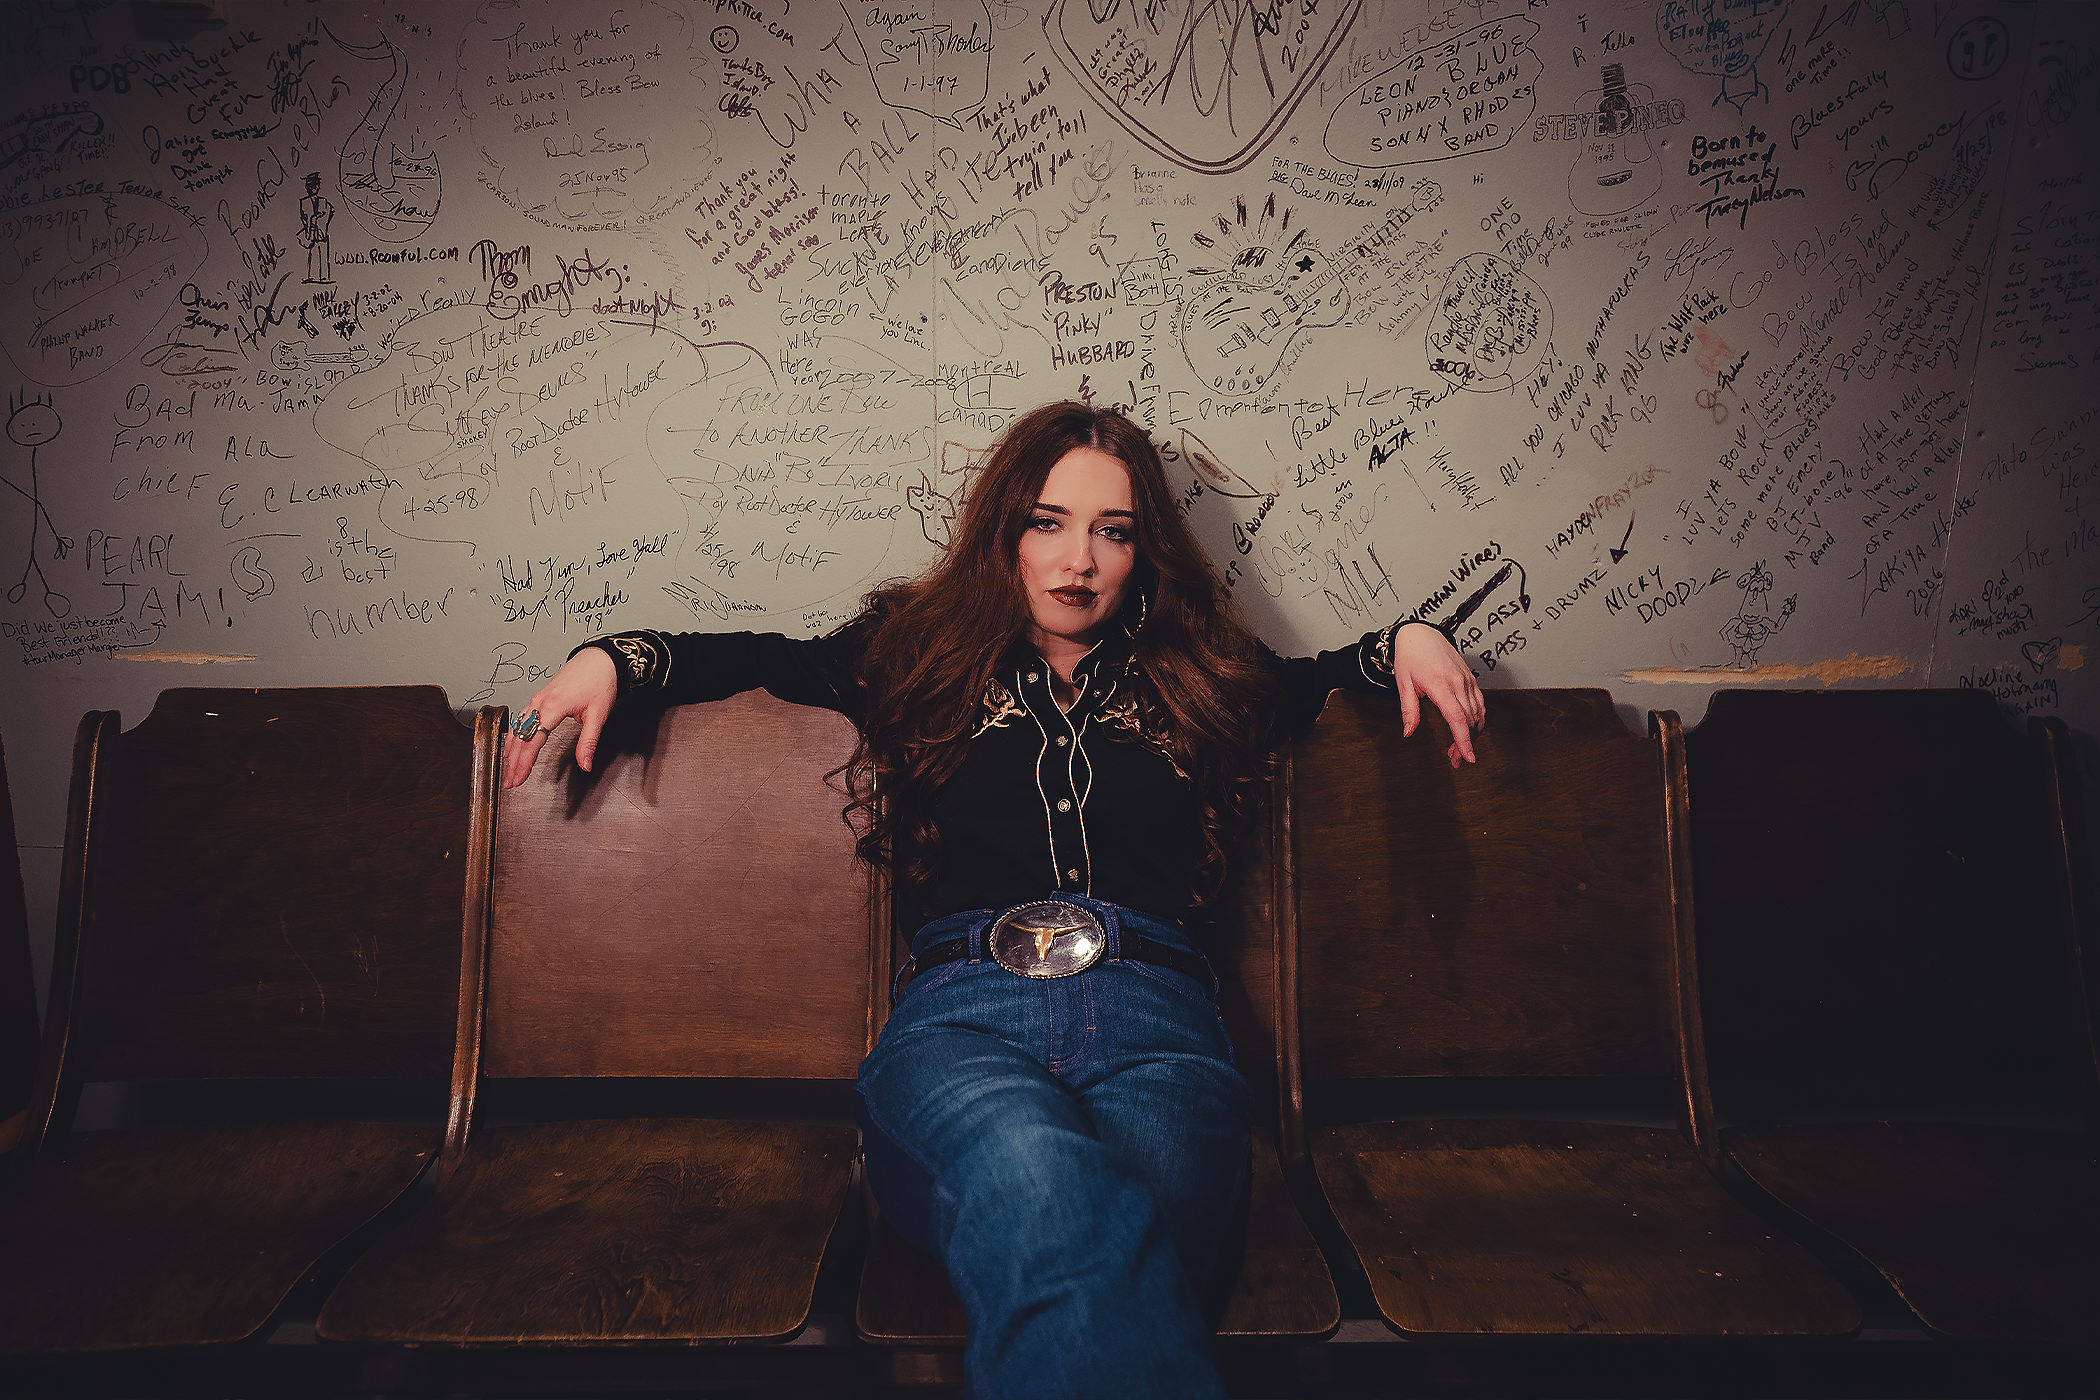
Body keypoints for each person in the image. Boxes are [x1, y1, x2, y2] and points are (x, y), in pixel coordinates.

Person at [503, 402, 1484, 1397]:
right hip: (959, 1021)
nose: (1080, 559)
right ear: (1003, 529)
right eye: (1047, 522)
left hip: (1161, 1027)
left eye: (1114, 529)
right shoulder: (913, 651)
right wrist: (611, 657)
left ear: (1144, 551)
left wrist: (1410, 635)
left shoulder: (1201, 675)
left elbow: (1323, 676)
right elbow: (749, 657)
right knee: (1042, 1180)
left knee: (1115, 1226)